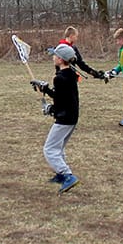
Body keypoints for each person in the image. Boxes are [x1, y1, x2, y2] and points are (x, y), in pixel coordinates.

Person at [31, 43, 81, 194]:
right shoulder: (71, 74)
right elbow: (62, 96)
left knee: (50, 149)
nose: (53, 57)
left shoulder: (59, 78)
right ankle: (61, 174)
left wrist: (50, 109)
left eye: (55, 55)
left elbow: (60, 103)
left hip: (64, 119)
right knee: (59, 148)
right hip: (71, 117)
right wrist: (45, 89)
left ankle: (67, 175)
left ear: (60, 59)